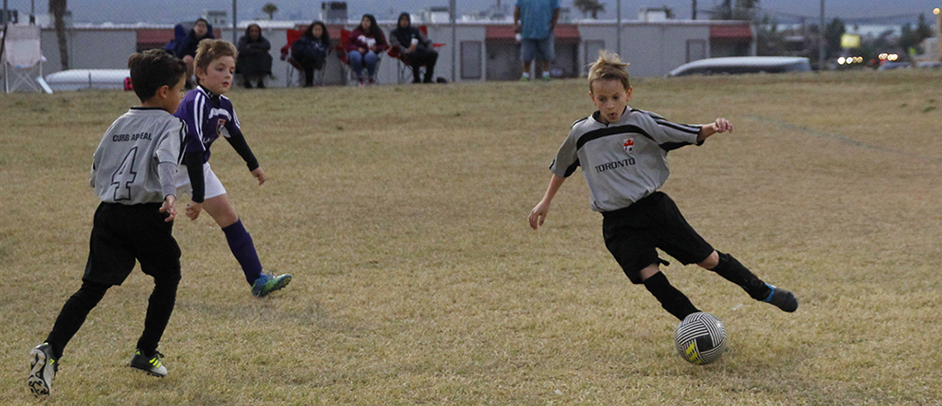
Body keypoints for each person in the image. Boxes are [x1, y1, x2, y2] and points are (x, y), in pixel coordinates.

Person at [527, 51, 798, 322]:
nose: (610, 105)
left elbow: (683, 132)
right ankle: (698, 325)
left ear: (628, 93)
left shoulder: (641, 122)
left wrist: (712, 127)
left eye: (616, 97)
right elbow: (563, 166)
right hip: (617, 223)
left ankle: (762, 291)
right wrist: (546, 200)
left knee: (709, 260)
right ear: (592, 98)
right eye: (603, 99)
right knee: (649, 274)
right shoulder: (581, 133)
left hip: (654, 210)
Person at [28, 49, 188, 397]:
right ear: (163, 92)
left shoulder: (120, 122)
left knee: (91, 289)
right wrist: (170, 193)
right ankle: (146, 352)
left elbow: (96, 169)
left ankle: (51, 349)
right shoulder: (172, 123)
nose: (182, 97)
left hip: (109, 214)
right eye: (180, 90)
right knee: (168, 275)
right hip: (148, 214)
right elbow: (165, 160)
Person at [173, 39, 292, 297]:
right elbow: (192, 147)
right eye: (219, 68)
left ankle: (258, 280)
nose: (227, 74)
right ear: (201, 73)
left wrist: (253, 165)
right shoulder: (196, 101)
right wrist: (197, 197)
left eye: (231, 69)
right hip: (165, 170)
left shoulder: (224, 105)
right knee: (144, 224)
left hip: (197, 167)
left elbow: (234, 136)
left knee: (229, 218)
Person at [514, 0, 560, 81]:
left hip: (545, 29)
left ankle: (546, 74)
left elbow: (556, 9)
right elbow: (517, 10)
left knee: (547, 54)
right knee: (526, 55)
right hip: (527, 30)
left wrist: (554, 23)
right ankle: (525, 75)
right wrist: (516, 24)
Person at [389, 12, 438, 84]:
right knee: (413, 55)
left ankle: (428, 78)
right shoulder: (394, 33)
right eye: (402, 20)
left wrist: (430, 48)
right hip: (407, 54)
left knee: (433, 54)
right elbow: (396, 44)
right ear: (399, 22)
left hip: (421, 50)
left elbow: (427, 41)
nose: (404, 22)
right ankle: (416, 78)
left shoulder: (416, 30)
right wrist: (406, 50)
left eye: (406, 20)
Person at [346, 14, 387, 86]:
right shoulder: (356, 32)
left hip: (371, 54)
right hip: (357, 53)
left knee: (370, 56)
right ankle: (359, 77)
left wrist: (376, 48)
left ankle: (371, 77)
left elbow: (384, 45)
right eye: (363, 20)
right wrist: (357, 49)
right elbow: (348, 44)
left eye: (367, 21)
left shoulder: (378, 33)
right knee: (354, 55)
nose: (365, 23)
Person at [174, 18, 215, 87]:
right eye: (199, 26)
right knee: (187, 59)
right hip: (192, 61)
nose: (201, 28)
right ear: (194, 28)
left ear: (207, 29)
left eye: (203, 26)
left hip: (205, 61)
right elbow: (181, 53)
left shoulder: (211, 40)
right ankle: (187, 82)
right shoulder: (188, 39)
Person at [291, 20, 331, 87]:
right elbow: (297, 48)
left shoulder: (324, 42)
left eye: (319, 30)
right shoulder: (304, 39)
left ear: (323, 31)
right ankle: (309, 83)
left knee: (310, 58)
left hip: (317, 60)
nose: (317, 32)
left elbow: (324, 51)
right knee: (308, 56)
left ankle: (309, 83)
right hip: (302, 58)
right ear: (311, 30)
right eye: (315, 30)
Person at [236, 23, 272, 89]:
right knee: (241, 57)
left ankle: (260, 82)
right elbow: (242, 49)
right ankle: (246, 81)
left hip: (260, 62)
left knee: (266, 56)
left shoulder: (262, 40)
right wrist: (257, 50)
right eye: (252, 31)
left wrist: (251, 46)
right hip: (247, 63)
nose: (254, 33)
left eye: (256, 31)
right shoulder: (243, 39)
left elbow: (267, 46)